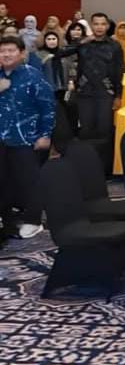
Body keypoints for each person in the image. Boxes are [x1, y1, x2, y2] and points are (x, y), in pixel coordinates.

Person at [0, 36, 54, 240]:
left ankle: (33, 221)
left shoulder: (32, 75)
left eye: (11, 50)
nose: (6, 54)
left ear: (22, 53)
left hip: (26, 137)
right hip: (1, 138)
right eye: (2, 51)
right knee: (3, 180)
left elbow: (47, 106)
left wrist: (45, 134)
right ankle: (6, 218)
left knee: (29, 180)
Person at [55, 12, 124, 140]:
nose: (99, 27)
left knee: (104, 129)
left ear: (107, 26)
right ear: (91, 25)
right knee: (86, 129)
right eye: (96, 24)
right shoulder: (83, 42)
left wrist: (118, 96)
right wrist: (81, 42)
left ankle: (103, 153)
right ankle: (86, 153)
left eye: (102, 24)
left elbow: (118, 71)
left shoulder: (115, 45)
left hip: (106, 92)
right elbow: (59, 53)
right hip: (84, 92)